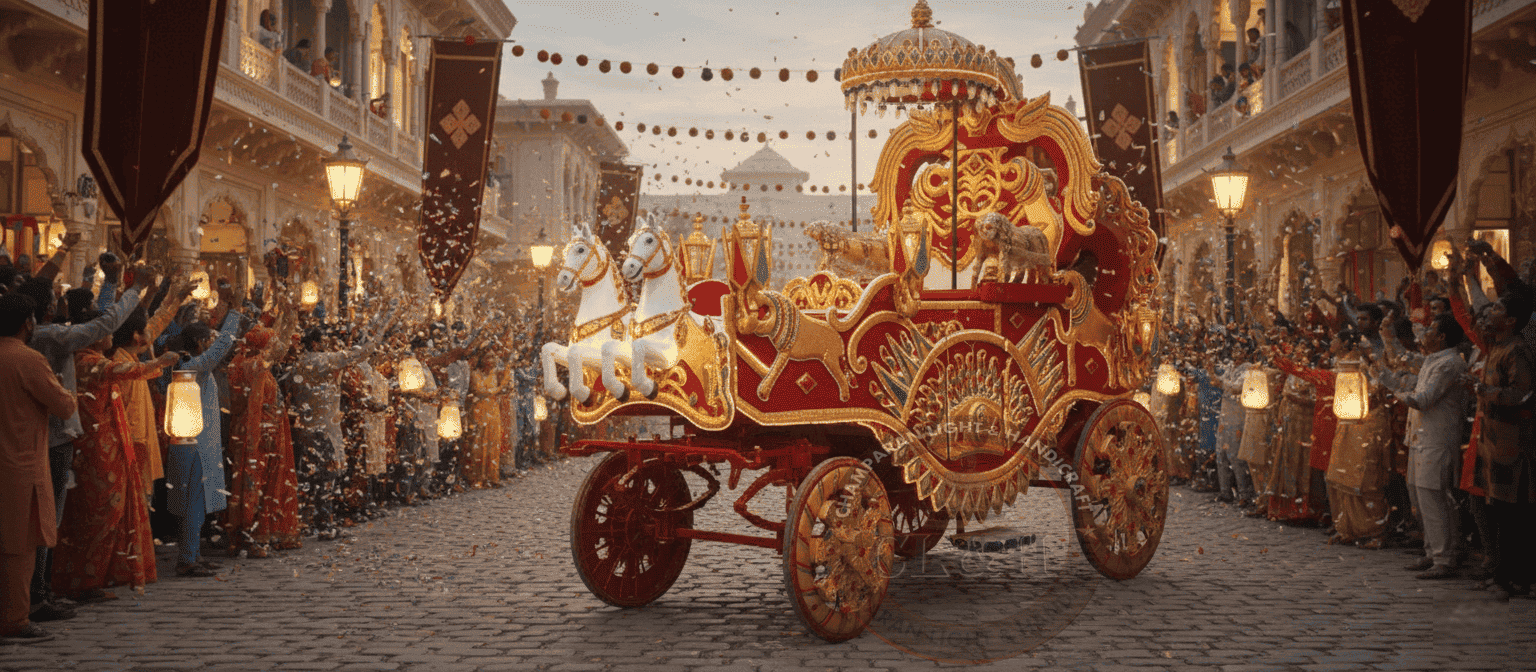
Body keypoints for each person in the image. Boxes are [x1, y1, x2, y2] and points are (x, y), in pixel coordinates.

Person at [17, 252, 148, 619]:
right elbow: (98, 327)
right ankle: (38, 595)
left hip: (40, 439)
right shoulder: (49, 340)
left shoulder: (41, 340)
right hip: (55, 439)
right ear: (37, 315)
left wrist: (109, 280)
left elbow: (96, 323)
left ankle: (37, 592)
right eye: (55, 301)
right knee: (46, 520)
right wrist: (134, 287)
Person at [50, 314, 179, 599]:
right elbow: (122, 371)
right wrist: (159, 363)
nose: (111, 337)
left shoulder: (91, 358)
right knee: (99, 512)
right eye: (107, 332)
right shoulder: (86, 361)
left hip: (107, 446)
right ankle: (83, 582)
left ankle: (95, 576)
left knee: (106, 511)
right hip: (96, 449)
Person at [0, 293, 75, 645]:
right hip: (20, 465)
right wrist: (65, 385)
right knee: (19, 546)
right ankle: (15, 618)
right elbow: (62, 405)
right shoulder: (27, 359)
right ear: (28, 323)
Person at [289, 303, 396, 539]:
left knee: (312, 476)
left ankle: (312, 521)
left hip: (307, 427)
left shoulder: (299, 363)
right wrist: (382, 327)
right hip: (323, 429)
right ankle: (323, 525)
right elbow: (360, 353)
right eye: (324, 343)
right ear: (316, 344)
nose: (328, 347)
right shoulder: (319, 361)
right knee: (326, 477)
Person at [166, 290, 245, 578]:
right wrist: (234, 314)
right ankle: (187, 558)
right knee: (192, 505)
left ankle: (194, 554)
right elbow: (222, 346)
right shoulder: (191, 368)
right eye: (208, 341)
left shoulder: (193, 366)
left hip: (200, 443)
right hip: (193, 445)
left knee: (197, 504)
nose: (212, 345)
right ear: (200, 343)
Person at [1388, 314, 1469, 579]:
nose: (1426, 332)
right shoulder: (1434, 360)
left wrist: (1394, 389)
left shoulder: (1449, 364)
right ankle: (1432, 552)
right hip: (1421, 439)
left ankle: (1445, 558)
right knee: (1419, 498)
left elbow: (1424, 399)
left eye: (1431, 329)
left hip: (1437, 439)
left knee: (1435, 499)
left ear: (1442, 336)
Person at [224, 290, 301, 558]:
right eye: (267, 346)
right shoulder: (249, 366)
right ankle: (250, 535)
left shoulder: (257, 366)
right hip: (254, 436)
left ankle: (263, 532)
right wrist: (289, 317)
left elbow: (278, 349)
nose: (274, 352)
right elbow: (279, 348)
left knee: (267, 484)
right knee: (251, 484)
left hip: (269, 434)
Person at [1473, 286, 1536, 600]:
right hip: (1493, 445)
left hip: (1514, 447)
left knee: (1516, 517)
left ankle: (1516, 578)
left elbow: (1522, 395)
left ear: (1511, 321)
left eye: (1495, 309)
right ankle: (1502, 574)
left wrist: (1485, 392)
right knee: (1498, 513)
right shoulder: (1495, 346)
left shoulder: (1517, 350)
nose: (1489, 313)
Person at [465, 349, 505, 488]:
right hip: (480, 410)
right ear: (482, 360)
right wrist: (499, 389)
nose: (492, 360)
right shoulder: (475, 374)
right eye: (489, 357)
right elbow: (478, 391)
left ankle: (492, 476)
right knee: (480, 442)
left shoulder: (494, 374)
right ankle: (478, 477)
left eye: (494, 357)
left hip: (493, 410)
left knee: (493, 442)